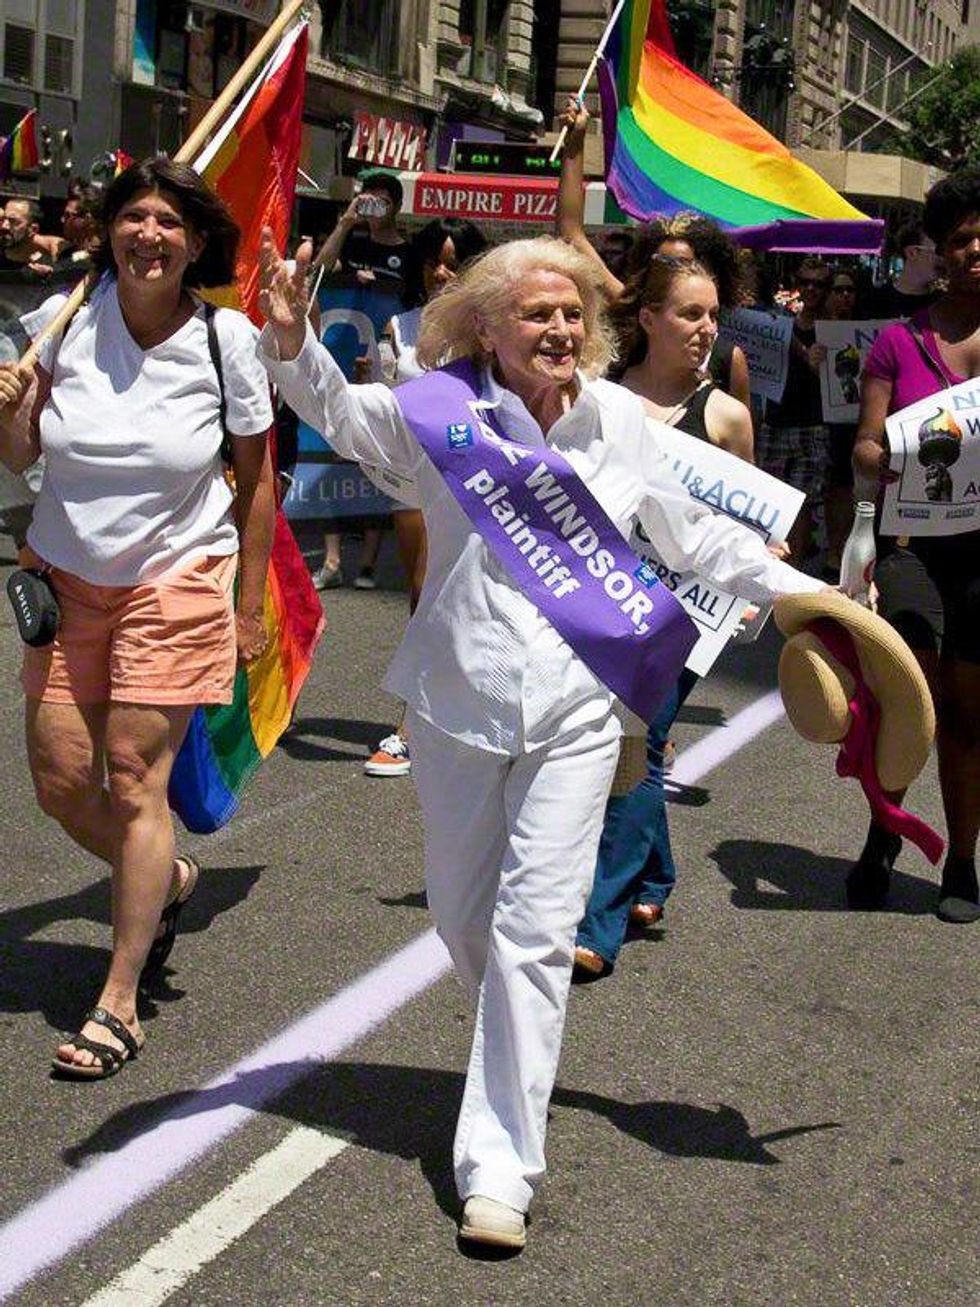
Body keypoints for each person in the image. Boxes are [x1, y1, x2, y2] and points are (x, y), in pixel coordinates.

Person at [258, 229, 825, 1249]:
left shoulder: (616, 421)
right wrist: (294, 338)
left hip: (578, 708)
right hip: (455, 701)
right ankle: (514, 1053)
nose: (562, 328)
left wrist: (803, 591)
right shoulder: (438, 410)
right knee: (462, 917)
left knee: (534, 932)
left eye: (573, 313)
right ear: (485, 327)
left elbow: (691, 533)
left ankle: (499, 1167)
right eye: (537, 313)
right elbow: (340, 415)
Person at [0, 158, 276, 1077]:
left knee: (132, 778)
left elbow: (256, 481)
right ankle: (165, 879)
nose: (149, 235)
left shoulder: (225, 342)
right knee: (59, 781)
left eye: (168, 222)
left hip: (176, 578)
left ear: (195, 244)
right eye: (134, 217)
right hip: (65, 575)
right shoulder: (65, 321)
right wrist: (7, 409)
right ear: (108, 231)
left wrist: (247, 605)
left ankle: (118, 1001)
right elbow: (20, 456)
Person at [573, 253, 755, 976]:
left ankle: (598, 922)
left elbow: (749, 517)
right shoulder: (601, 398)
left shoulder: (727, 415)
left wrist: (759, 565)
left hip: (687, 619)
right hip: (606, 604)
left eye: (713, 315)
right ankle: (655, 877)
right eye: (689, 313)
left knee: (639, 745)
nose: (706, 328)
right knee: (627, 745)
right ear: (648, 319)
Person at [850, 169, 980, 923]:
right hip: (913, 547)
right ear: (939, 250)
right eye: (961, 239)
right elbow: (865, 447)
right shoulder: (898, 343)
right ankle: (885, 833)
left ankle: (962, 861)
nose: (975, 250)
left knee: (970, 715)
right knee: (911, 699)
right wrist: (887, 454)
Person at [363, 216, 489, 778]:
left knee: (447, 591)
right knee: (425, 595)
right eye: (434, 261)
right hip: (412, 473)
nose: (442, 273)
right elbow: (386, 397)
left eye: (455, 263)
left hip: (472, 476)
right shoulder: (400, 326)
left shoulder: (491, 331)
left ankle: (425, 720)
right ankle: (427, 717)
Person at [555, 97, 751, 410]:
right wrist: (575, 141)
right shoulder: (629, 310)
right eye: (662, 262)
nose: (672, 273)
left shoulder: (728, 360)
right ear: (647, 319)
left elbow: (737, 439)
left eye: (685, 265)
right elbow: (571, 235)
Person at [756, 255, 833, 563]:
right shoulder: (777, 325)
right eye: (805, 282)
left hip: (812, 425)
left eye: (820, 284)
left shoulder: (835, 331)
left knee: (802, 504)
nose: (812, 289)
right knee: (769, 500)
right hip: (775, 421)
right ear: (796, 285)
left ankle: (797, 568)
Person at [822, 267, 862, 575]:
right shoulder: (816, 332)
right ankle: (832, 548)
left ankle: (845, 549)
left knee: (850, 488)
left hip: (856, 424)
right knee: (832, 490)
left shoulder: (867, 330)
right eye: (839, 290)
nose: (845, 296)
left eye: (850, 290)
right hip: (822, 424)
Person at [0, 195, 67, 277]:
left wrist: (54, 272)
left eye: (13, 221)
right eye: (3, 219)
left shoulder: (56, 247)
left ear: (33, 229)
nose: (4, 226)